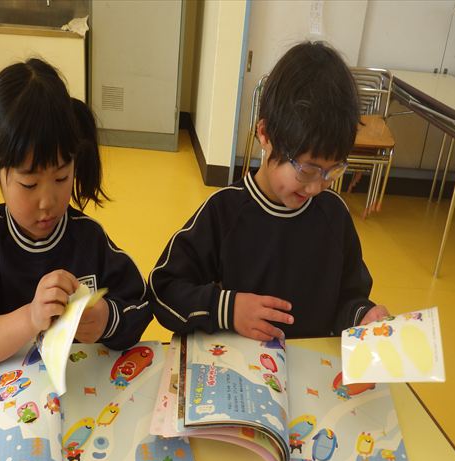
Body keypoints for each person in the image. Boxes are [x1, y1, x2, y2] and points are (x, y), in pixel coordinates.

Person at [149, 41, 389, 342]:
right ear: (265, 134)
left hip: (309, 366)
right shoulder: (224, 212)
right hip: (232, 366)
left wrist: (361, 315)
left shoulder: (334, 215)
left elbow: (349, 297)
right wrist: (227, 309)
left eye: (333, 171)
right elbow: (163, 290)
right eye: (307, 169)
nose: (317, 187)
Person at [0, 58, 151, 368]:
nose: (47, 201)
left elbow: (140, 305)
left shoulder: (88, 238)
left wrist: (107, 320)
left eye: (61, 177)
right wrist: (31, 317)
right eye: (29, 184)